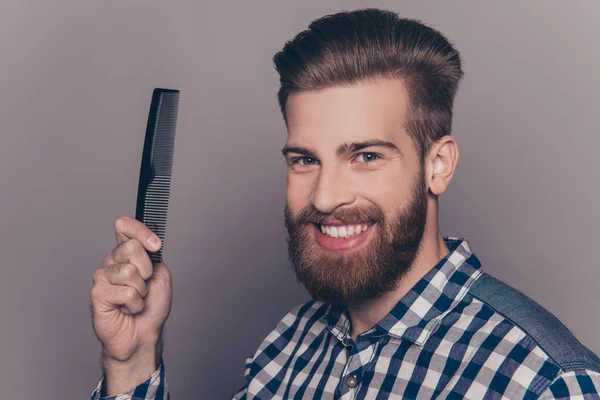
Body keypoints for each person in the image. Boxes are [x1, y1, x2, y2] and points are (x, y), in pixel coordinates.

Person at [90, 8, 600, 400]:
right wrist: (132, 363)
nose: (326, 197)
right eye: (304, 160)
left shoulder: (543, 382)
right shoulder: (288, 347)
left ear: (437, 165)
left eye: (366, 156)